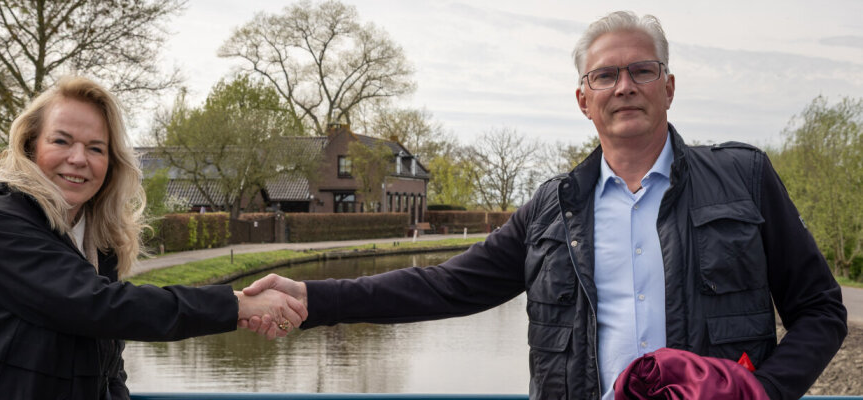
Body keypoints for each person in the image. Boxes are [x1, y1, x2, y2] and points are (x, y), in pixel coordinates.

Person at [242, 11, 848, 400]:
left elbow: (821, 310)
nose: (625, 86)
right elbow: (444, 288)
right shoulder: (552, 208)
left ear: (669, 86)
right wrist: (313, 297)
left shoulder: (744, 178)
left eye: (642, 69)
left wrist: (762, 393)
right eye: (606, 76)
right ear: (584, 99)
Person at [0, 76, 305, 399]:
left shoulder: (96, 238)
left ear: (111, 164)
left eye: (96, 148)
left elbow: (106, 359)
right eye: (61, 141)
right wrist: (235, 305)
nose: (78, 159)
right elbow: (99, 307)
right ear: (29, 146)